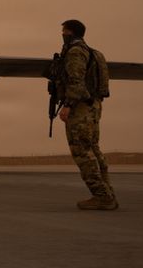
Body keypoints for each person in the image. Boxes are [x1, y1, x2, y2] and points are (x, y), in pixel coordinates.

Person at [55, 19, 117, 210]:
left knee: (82, 150)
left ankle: (101, 196)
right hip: (94, 105)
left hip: (80, 107)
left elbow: (76, 81)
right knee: (93, 149)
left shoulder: (75, 52)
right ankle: (107, 193)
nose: (62, 34)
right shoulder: (96, 53)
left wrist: (68, 105)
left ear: (71, 32)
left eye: (64, 31)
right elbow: (103, 84)